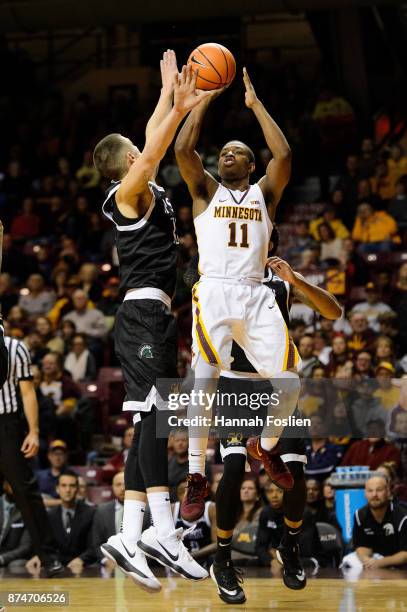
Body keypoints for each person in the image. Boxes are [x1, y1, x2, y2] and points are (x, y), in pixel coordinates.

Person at [93, 52, 210, 589]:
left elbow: (149, 136)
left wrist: (167, 94)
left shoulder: (141, 183)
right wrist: (181, 109)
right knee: (156, 420)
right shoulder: (129, 191)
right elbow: (152, 148)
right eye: (137, 152)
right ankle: (162, 528)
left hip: (156, 315)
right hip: (141, 313)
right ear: (127, 162)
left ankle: (131, 529)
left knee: (148, 421)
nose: (146, 149)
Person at [175, 67, 300, 530]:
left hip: (255, 293)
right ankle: (194, 476)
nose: (228, 156)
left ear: (250, 166)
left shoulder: (265, 194)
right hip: (214, 291)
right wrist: (203, 98)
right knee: (203, 381)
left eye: (238, 154)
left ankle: (264, 447)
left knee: (290, 382)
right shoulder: (205, 191)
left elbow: (283, 153)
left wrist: (254, 105)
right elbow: (184, 149)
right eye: (224, 152)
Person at [186, 235, 341, 602]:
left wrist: (297, 280)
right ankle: (222, 560)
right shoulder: (215, 281)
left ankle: (290, 546)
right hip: (235, 388)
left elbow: (333, 312)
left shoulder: (277, 282)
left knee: (294, 475)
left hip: (276, 387)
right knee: (235, 470)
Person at [0, 332, 62, 576]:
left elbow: (27, 393)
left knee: (26, 492)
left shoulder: (15, 348)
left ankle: (48, 555)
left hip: (7, 425)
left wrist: (33, 431)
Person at [343, 475, 407, 571]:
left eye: (379, 490)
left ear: (388, 492)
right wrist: (366, 560)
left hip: (399, 562)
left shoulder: (402, 516)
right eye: (370, 491)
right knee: (348, 561)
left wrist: (379, 563)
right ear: (365, 494)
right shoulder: (360, 515)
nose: (374, 495)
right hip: (377, 558)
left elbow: (405, 555)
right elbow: (362, 545)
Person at [46, 471, 96, 573]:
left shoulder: (91, 512)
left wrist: (81, 559)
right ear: (57, 489)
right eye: (63, 486)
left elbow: (94, 545)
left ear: (77, 489)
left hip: (85, 566)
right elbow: (48, 546)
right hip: (57, 567)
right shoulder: (50, 515)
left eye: (72, 486)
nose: (68, 490)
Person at [92, 471, 125, 568]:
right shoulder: (101, 511)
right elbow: (97, 543)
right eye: (118, 485)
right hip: (110, 566)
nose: (123, 488)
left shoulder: (145, 510)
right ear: (112, 487)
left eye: (126, 484)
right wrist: (105, 560)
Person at [0, 481, 32, 568]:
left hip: (11, 558)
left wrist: (2, 558)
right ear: (5, 485)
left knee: (17, 565)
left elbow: (26, 547)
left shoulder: (27, 510)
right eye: (12, 481)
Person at [36, 439, 69, 506]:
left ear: (66, 456)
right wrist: (62, 502)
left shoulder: (71, 476)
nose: (57, 457)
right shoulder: (39, 476)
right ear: (49, 456)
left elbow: (78, 499)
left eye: (61, 454)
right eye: (55, 454)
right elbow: (36, 500)